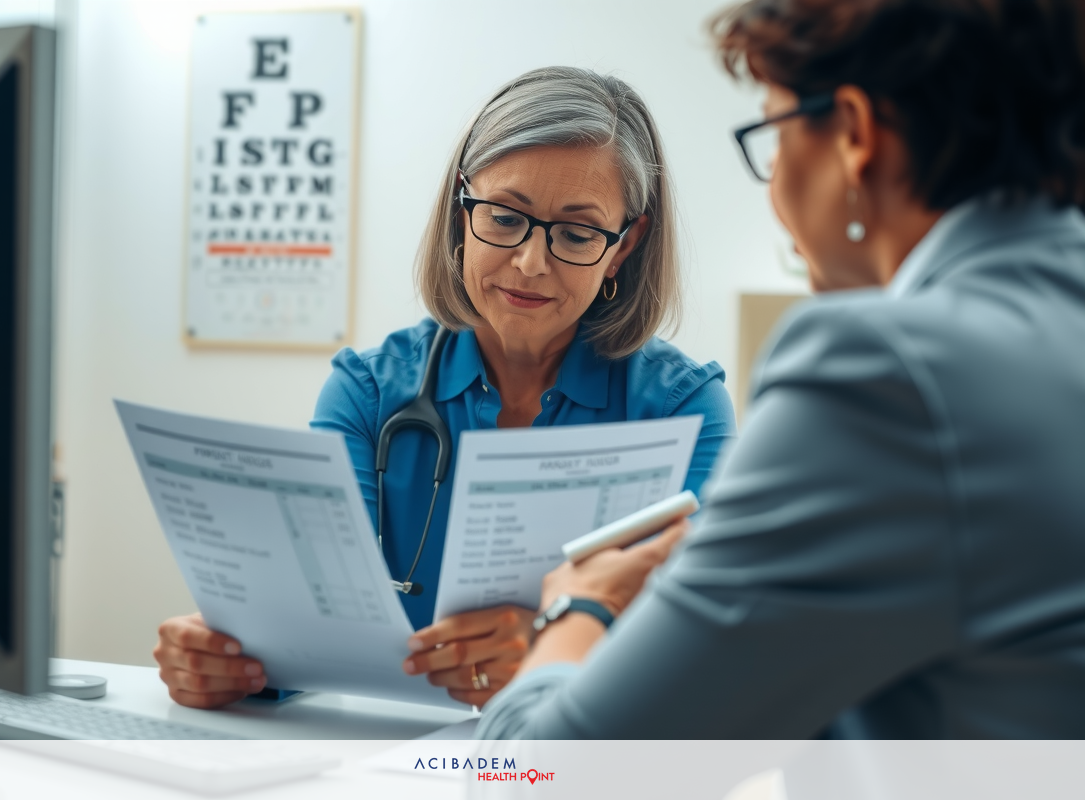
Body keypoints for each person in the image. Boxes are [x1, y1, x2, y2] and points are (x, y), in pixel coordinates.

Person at [477, 0, 1085, 738]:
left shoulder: (883, 376)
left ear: (854, 136)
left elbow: (547, 776)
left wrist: (578, 606)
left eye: (773, 133)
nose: (775, 191)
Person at [152, 67, 738, 710]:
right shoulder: (368, 392)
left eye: (576, 234)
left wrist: (562, 645)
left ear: (624, 247)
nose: (530, 263)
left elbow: (709, 642)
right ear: (461, 209)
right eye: (506, 217)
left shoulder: (683, 408)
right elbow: (314, 627)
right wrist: (236, 660)